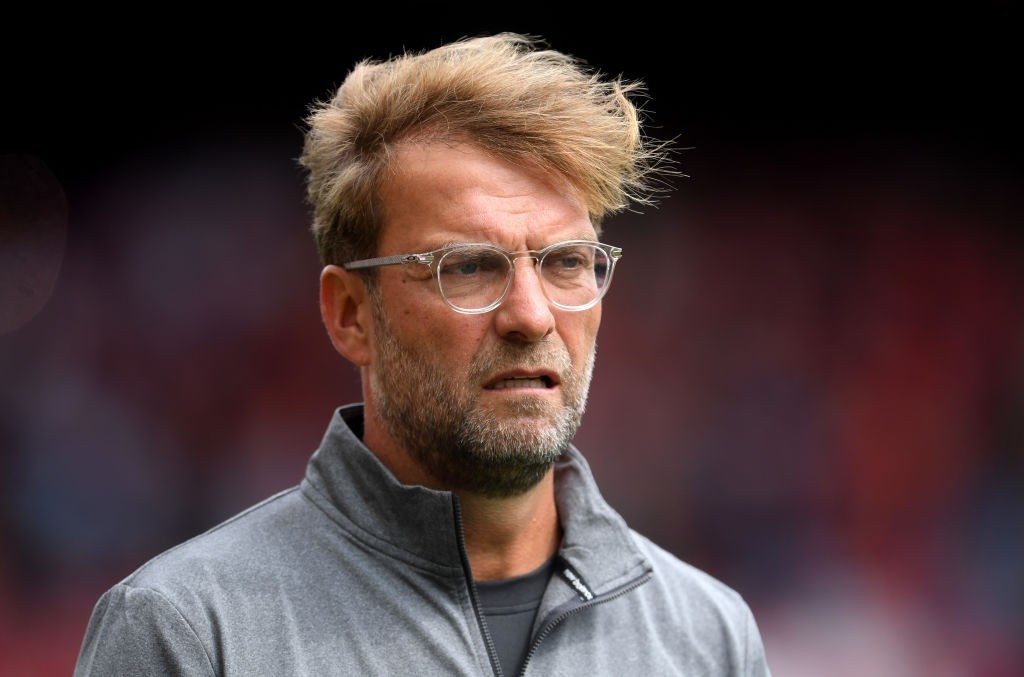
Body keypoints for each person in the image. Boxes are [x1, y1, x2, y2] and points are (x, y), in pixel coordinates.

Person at [73, 32, 772, 676]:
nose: (531, 315)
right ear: (351, 314)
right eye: (467, 267)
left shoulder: (707, 637)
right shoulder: (188, 633)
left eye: (566, 262)